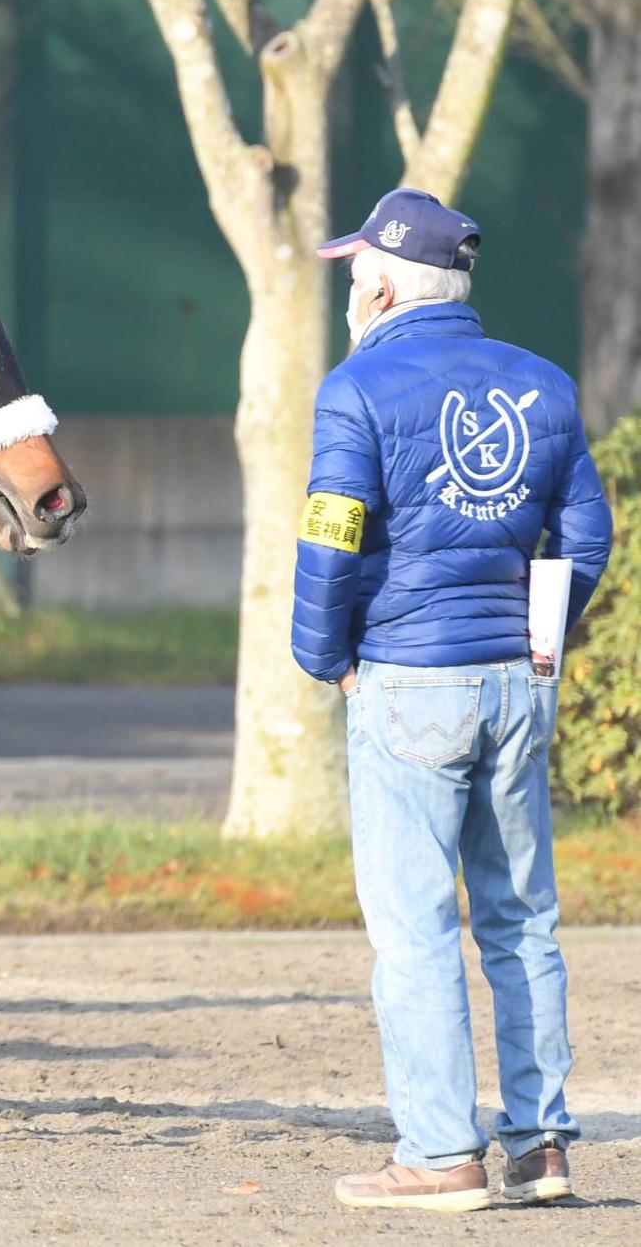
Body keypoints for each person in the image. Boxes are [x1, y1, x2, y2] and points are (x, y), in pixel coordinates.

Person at [293, 187, 612, 1212]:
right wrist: (539, 639)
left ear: (383, 283)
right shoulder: (544, 382)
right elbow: (587, 536)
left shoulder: (356, 386)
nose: (350, 291)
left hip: (404, 681)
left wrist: (324, 655)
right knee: (522, 918)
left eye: (355, 275)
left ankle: (439, 1152)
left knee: (415, 926)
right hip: (517, 683)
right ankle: (540, 1144)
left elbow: (331, 536)